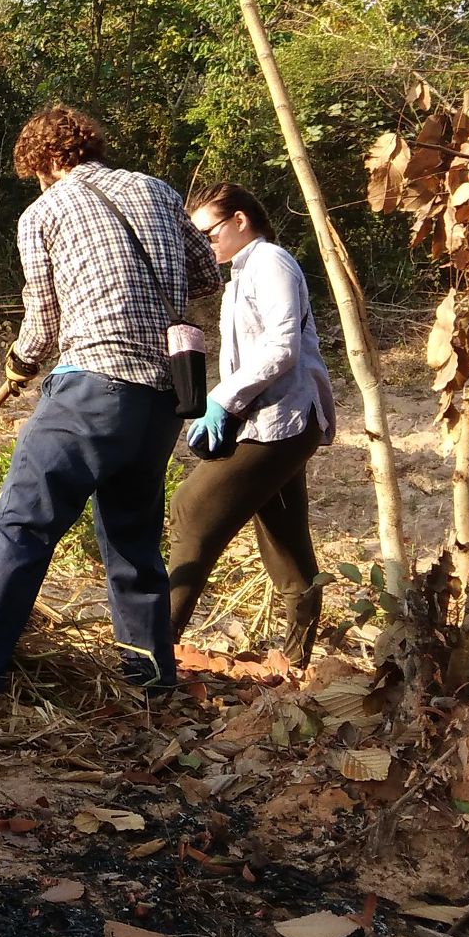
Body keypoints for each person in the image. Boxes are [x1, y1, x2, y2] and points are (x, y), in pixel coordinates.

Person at [0, 103, 219, 708]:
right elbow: (207, 277)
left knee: (22, 527)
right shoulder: (157, 190)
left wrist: (18, 360)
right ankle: (152, 681)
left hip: (92, 388)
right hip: (163, 397)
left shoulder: (44, 212)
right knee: (132, 540)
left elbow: (42, 319)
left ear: (41, 163)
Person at [166, 182, 335, 671]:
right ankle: (297, 662)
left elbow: (282, 347)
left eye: (209, 233)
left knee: (191, 508)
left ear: (241, 220)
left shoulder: (271, 262)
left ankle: (152, 651)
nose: (205, 244)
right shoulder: (241, 274)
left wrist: (222, 399)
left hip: (282, 421)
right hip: (264, 420)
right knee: (284, 539)